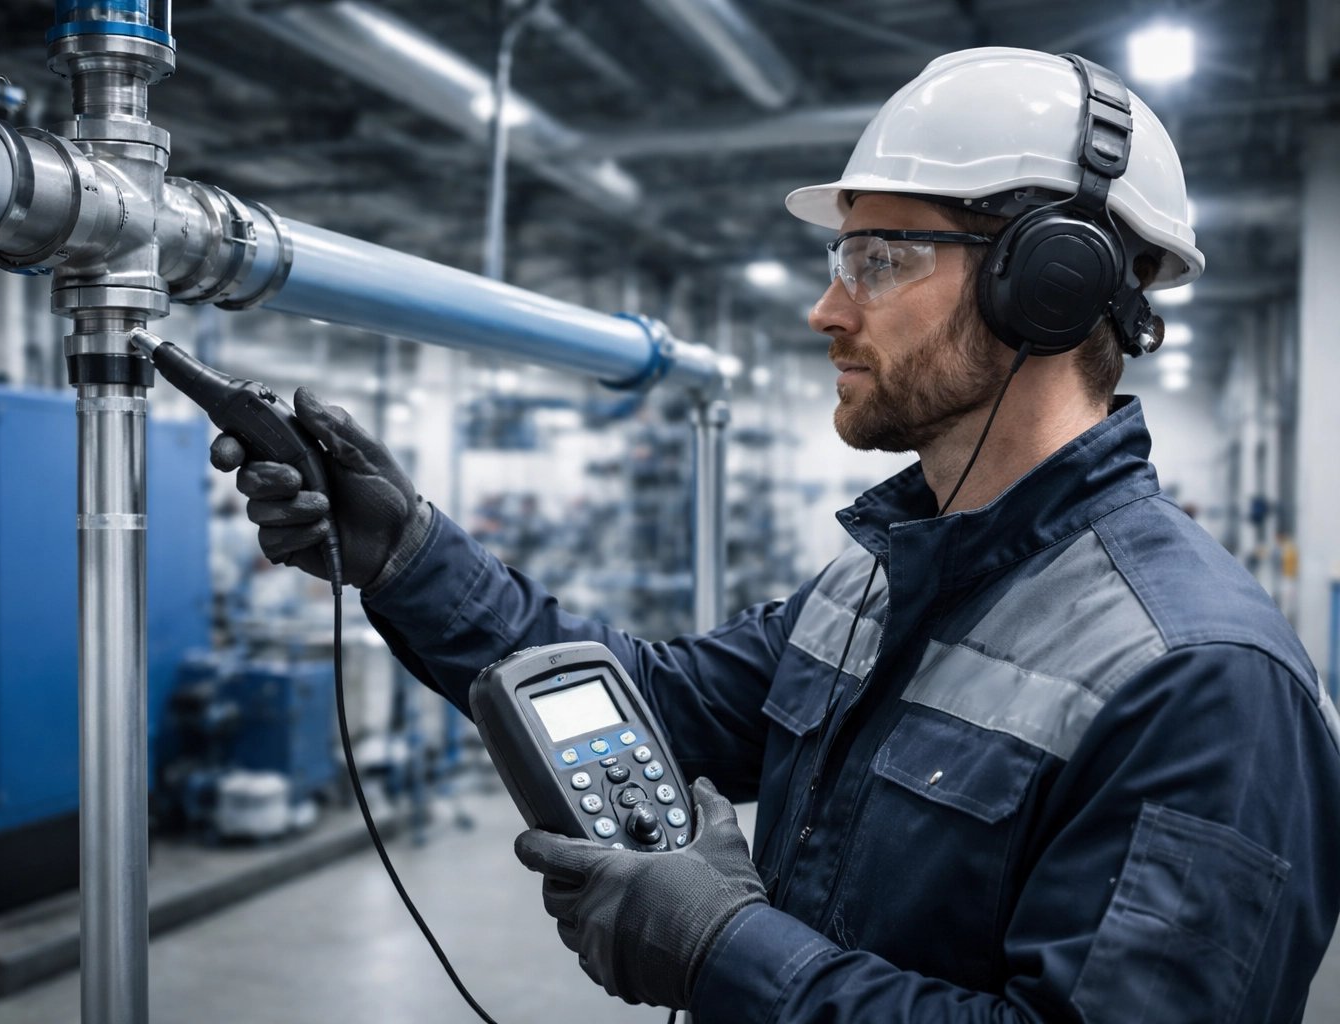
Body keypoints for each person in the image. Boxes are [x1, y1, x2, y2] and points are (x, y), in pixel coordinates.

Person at [210, 48, 1340, 1023]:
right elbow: (640, 701)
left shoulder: (1203, 685)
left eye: (879, 258)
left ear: (1044, 286)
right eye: (838, 259)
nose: (827, 309)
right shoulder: (876, 584)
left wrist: (728, 954)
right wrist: (406, 557)